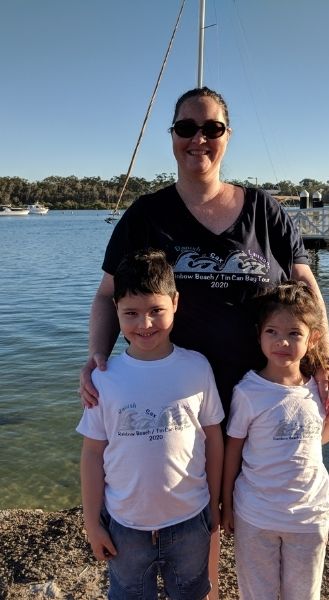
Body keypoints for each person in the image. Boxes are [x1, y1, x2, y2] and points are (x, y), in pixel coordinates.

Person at [78, 87, 329, 598]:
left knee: (253, 511)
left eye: (212, 128)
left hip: (261, 390)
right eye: (186, 128)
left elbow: (307, 291)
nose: (198, 138)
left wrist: (325, 363)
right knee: (200, 518)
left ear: (227, 136)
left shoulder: (265, 210)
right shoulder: (146, 214)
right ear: (173, 136)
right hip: (180, 392)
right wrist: (98, 358)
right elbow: (108, 296)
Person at [77, 249, 224, 599]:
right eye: (131, 313)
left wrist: (216, 504)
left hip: (191, 519)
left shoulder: (197, 367)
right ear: (115, 310)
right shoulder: (105, 378)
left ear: (175, 302)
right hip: (125, 525)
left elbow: (214, 439)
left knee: (192, 591)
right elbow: (92, 455)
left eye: (156, 310)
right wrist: (91, 522)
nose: (144, 324)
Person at [220, 281, 329, 600]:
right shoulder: (248, 392)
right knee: (257, 594)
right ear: (259, 335)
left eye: (294, 333)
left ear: (313, 338)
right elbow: (233, 451)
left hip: (310, 513)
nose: (282, 342)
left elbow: (309, 446)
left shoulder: (318, 391)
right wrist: (225, 504)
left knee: (305, 594)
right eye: (272, 332)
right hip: (256, 513)